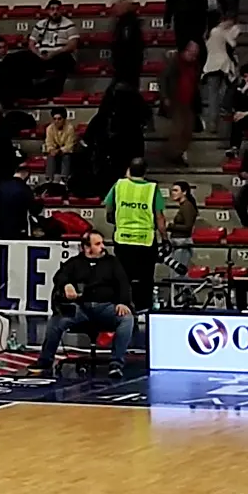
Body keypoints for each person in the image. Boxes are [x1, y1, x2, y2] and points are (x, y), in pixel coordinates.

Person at [31, 230, 133, 380]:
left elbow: (124, 284)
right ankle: (45, 361)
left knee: (127, 319)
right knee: (56, 321)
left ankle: (116, 364)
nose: (102, 247)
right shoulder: (74, 263)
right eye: (98, 244)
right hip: (80, 309)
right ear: (86, 247)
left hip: (105, 308)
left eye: (102, 243)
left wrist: (123, 303)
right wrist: (66, 284)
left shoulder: (112, 262)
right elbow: (59, 276)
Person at [105, 157, 165, 313]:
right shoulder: (152, 188)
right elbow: (159, 217)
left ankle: (122, 307)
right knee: (145, 279)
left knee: (122, 276)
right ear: (145, 172)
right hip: (145, 241)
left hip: (123, 239)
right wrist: (165, 238)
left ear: (129, 170)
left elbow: (109, 207)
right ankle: (143, 309)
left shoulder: (119, 185)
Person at [44, 107, 77, 184]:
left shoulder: (70, 128)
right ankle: (49, 180)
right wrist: (52, 150)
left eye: (59, 119)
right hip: (55, 153)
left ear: (64, 119)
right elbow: (49, 143)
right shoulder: (49, 128)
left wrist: (59, 150)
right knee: (50, 156)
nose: (56, 121)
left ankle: (64, 180)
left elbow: (70, 146)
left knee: (66, 156)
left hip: (67, 153)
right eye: (54, 119)